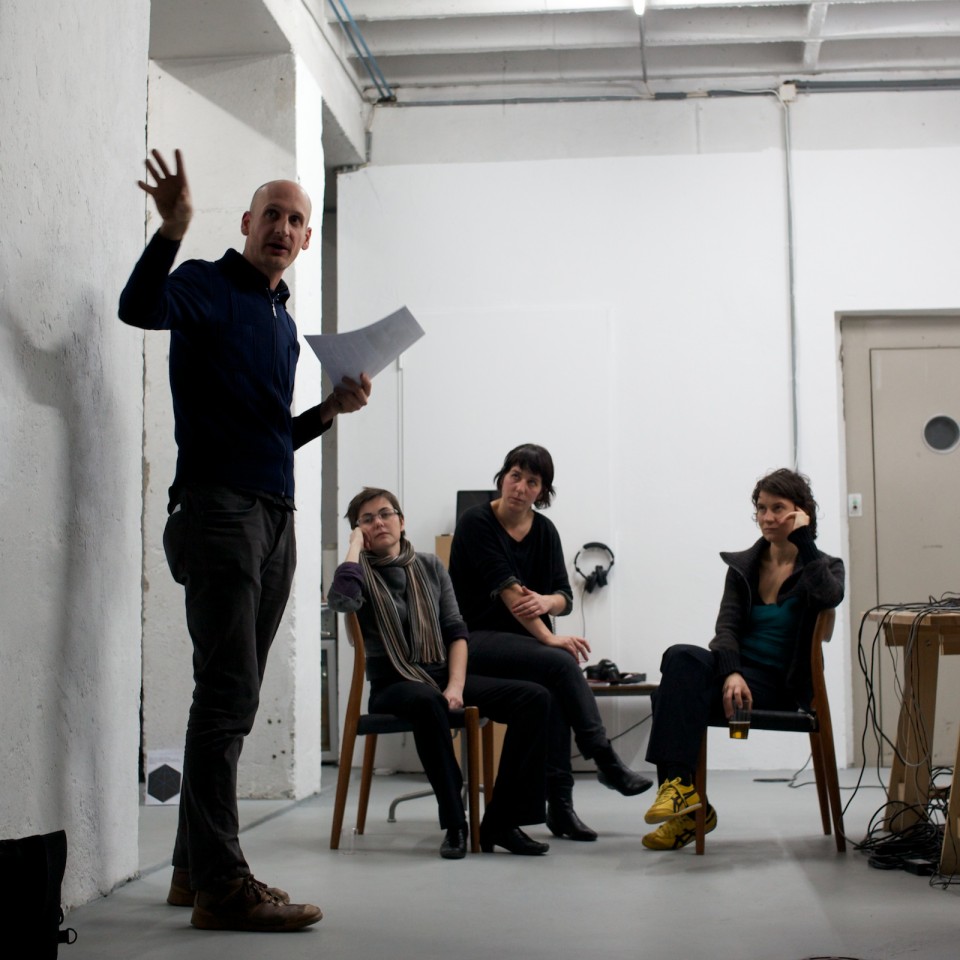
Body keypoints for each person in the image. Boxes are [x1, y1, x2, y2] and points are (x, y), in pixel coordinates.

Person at [119, 149, 371, 931]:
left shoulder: (281, 320)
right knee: (226, 696)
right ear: (247, 223)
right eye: (273, 215)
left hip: (273, 516)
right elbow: (138, 307)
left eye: (297, 220)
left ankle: (192, 871)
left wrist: (328, 412)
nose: (284, 228)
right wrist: (171, 230)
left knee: (234, 696)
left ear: (304, 238)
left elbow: (270, 435)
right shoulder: (206, 283)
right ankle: (224, 886)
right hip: (218, 513)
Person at [328, 488, 552, 858]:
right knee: (427, 701)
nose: (378, 522)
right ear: (359, 531)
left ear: (402, 521)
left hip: (444, 676)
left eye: (385, 514)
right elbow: (341, 601)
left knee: (534, 698)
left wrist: (456, 686)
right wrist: (353, 547)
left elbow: (455, 630)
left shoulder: (431, 566)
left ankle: (501, 822)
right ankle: (455, 824)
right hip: (393, 684)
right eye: (366, 519)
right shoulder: (356, 575)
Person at [449, 443, 652, 844]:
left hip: (524, 647)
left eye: (532, 482)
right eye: (515, 476)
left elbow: (564, 596)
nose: (520, 487)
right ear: (502, 477)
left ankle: (561, 807)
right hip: (473, 641)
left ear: (542, 491)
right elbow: (509, 591)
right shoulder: (476, 522)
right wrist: (549, 636)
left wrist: (548, 602)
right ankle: (605, 759)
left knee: (553, 690)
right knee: (560, 663)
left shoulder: (544, 530)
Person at [641, 468, 845, 851]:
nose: (767, 517)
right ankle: (681, 790)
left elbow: (829, 596)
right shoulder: (743, 566)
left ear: (801, 512)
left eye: (778, 508)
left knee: (669, 694)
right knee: (679, 657)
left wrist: (805, 540)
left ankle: (689, 812)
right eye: (761, 508)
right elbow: (727, 629)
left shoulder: (824, 566)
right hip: (738, 676)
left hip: (780, 685)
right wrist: (732, 672)